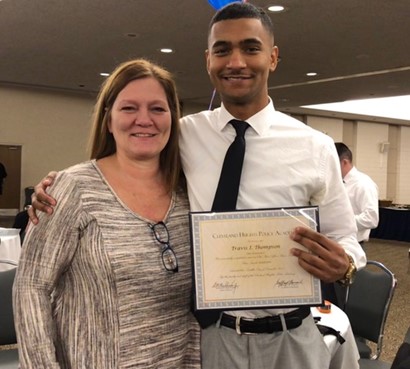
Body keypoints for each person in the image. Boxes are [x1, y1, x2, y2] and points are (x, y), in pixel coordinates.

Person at [30, 3, 366, 369]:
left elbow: (345, 236)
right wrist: (55, 187)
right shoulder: (183, 134)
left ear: (272, 57)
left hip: (293, 336)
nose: (235, 61)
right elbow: (126, 164)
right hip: (211, 338)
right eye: (222, 50)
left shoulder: (313, 146)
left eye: (250, 48)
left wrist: (345, 264)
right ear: (208, 60)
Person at [13, 59, 200, 369]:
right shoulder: (73, 188)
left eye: (157, 108)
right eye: (129, 108)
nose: (144, 119)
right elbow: (31, 287)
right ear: (109, 120)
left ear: (173, 118)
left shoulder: (190, 192)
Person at [335, 142, 379, 247]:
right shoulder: (337, 182)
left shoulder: (363, 184)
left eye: (332, 164)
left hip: (352, 245)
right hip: (335, 242)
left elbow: (371, 219)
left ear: (344, 162)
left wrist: (339, 221)